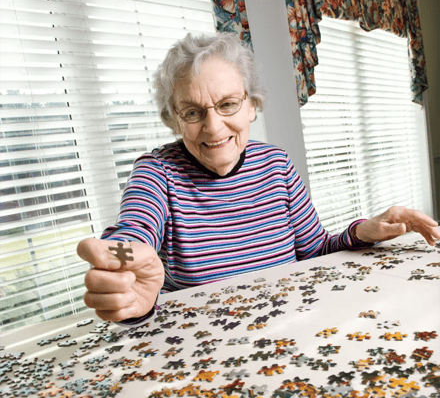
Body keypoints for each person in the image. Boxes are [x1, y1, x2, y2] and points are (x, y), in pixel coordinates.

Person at [77, 33, 440, 326]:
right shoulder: (156, 173)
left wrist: (363, 231)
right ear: (173, 120)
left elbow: (314, 250)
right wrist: (121, 259)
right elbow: (130, 237)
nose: (213, 126)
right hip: (202, 349)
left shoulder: (276, 164)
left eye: (228, 104)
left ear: (252, 105)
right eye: (192, 112)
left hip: (296, 326)